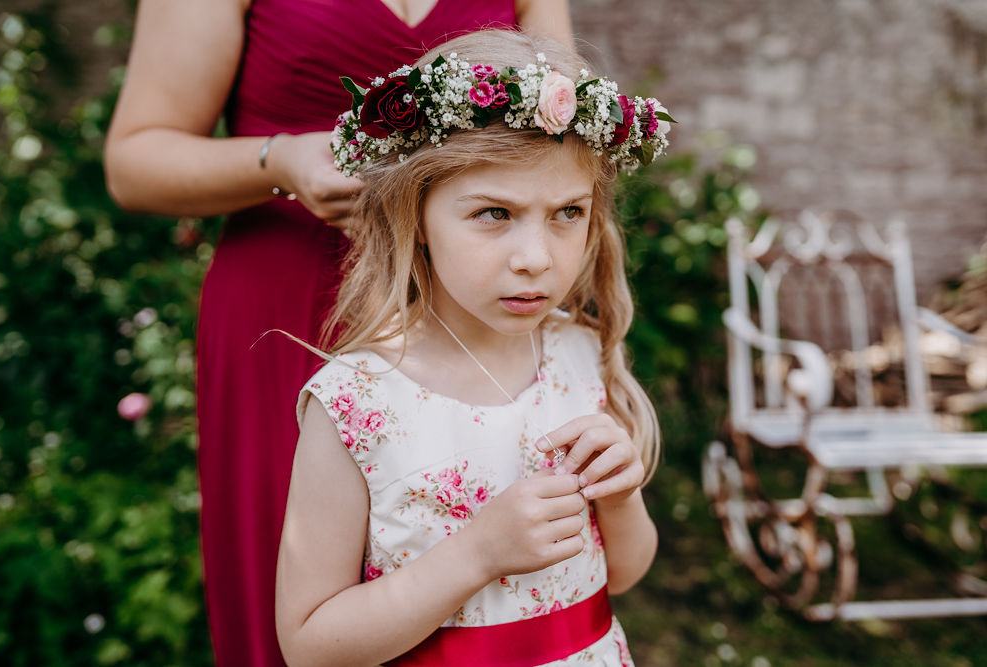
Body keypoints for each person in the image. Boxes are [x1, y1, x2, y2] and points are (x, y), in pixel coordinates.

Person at [103, 2, 574, 665]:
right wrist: (278, 160)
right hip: (291, 310)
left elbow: (564, 139)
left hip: (474, 309)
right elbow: (134, 161)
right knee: (306, 595)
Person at [276, 28, 671, 666]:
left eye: (568, 212)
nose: (536, 259)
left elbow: (623, 573)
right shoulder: (356, 403)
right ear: (415, 215)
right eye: (493, 213)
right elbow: (309, 646)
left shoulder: (579, 354)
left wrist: (620, 499)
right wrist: (477, 554)